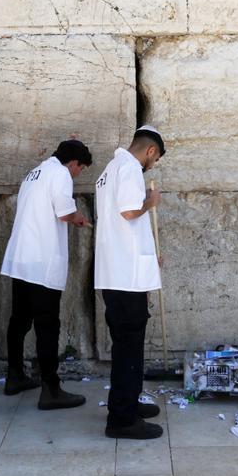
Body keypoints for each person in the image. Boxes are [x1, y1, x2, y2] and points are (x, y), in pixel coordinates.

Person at [0, 139, 93, 409]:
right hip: (42, 263)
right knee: (48, 326)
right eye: (81, 169)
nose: (78, 174)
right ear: (74, 163)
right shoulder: (61, 174)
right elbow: (64, 212)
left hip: (22, 260)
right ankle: (51, 389)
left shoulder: (35, 173)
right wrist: (78, 218)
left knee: (19, 321)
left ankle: (14, 375)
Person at [94, 126, 166, 440]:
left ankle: (129, 404)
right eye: (157, 159)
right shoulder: (129, 169)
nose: (154, 164)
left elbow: (125, 229)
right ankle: (121, 419)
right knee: (128, 348)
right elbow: (128, 212)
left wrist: (150, 256)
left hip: (120, 270)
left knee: (129, 346)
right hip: (126, 278)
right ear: (150, 151)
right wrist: (150, 202)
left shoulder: (111, 169)